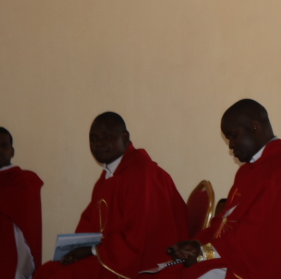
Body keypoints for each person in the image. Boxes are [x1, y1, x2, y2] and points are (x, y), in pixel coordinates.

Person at [34, 112, 188, 279]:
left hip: (141, 262)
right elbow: (91, 223)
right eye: (93, 139)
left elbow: (138, 236)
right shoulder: (110, 175)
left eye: (107, 136)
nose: (99, 144)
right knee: (49, 270)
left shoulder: (141, 174)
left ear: (125, 136)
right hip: (111, 254)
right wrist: (74, 248)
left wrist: (92, 250)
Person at [160, 99, 281, 279]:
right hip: (233, 254)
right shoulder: (247, 171)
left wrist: (204, 253)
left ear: (254, 128)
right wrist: (196, 244)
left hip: (260, 265)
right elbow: (225, 222)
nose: (231, 145)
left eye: (234, 136)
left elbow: (257, 235)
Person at [0, 126, 43, 279]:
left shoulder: (25, 180)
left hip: (12, 260)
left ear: (12, 151)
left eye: (4, 145)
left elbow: (22, 207)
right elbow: (8, 204)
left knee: (6, 224)